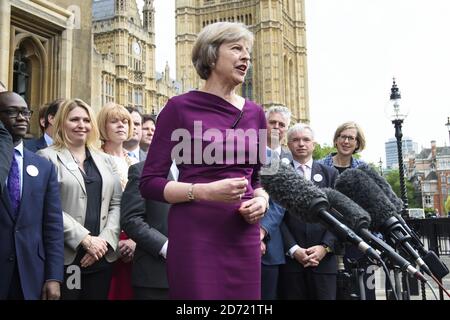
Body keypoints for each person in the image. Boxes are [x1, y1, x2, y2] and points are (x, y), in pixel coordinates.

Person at [139, 21, 269, 299]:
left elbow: (256, 180)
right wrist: (203, 192)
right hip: (196, 233)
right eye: (236, 48)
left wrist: (262, 201)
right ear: (211, 54)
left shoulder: (257, 114)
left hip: (243, 234)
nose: (246, 56)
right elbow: (149, 183)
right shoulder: (178, 108)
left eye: (248, 51)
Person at [37, 99, 122, 300]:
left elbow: (117, 203)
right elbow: (46, 207)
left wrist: (104, 241)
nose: (81, 125)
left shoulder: (106, 160)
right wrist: (84, 239)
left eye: (86, 120)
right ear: (61, 123)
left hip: (102, 257)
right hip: (67, 259)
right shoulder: (45, 157)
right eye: (74, 119)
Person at [0, 92, 64, 300]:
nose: (21, 118)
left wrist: (54, 277)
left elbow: (53, 225)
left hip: (30, 272)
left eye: (25, 112)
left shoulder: (43, 166)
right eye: (11, 112)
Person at [279, 123, 339, 300]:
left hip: (324, 263)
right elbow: (277, 217)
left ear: (314, 144)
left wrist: (325, 247)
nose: (301, 144)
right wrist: (293, 249)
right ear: (288, 145)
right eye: (295, 140)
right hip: (291, 264)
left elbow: (338, 214)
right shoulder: (279, 174)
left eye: (306, 139)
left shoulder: (331, 174)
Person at [318, 121, 376, 300]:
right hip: (326, 239)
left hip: (358, 239)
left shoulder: (363, 169)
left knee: (364, 292)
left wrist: (376, 241)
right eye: (342, 137)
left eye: (351, 138)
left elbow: (374, 206)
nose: (346, 141)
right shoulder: (319, 167)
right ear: (336, 140)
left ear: (357, 143)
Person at [96, 102, 137, 300]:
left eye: (125, 121)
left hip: (134, 240)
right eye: (114, 121)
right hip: (104, 241)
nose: (121, 125)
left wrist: (135, 240)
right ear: (104, 126)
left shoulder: (134, 162)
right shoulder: (94, 159)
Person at [121, 161, 173, 299]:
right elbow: (131, 218)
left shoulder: (207, 172)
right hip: (155, 278)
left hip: (200, 276)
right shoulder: (142, 170)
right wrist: (165, 247)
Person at [260, 105, 292, 300]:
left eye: (281, 124)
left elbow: (281, 203)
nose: (276, 127)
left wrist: (262, 231)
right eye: (272, 122)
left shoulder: (292, 159)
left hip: (275, 245)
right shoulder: (246, 153)